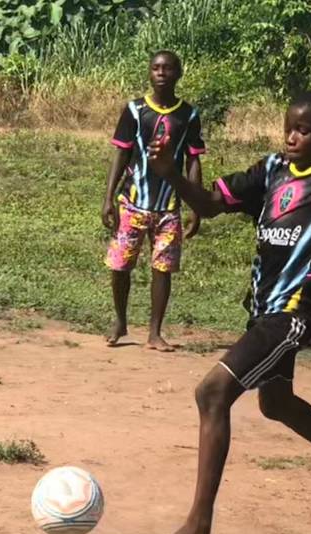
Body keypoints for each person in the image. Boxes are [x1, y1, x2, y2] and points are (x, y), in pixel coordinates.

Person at [149, 89, 311, 534]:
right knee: (276, 403)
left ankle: (199, 527)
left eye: (305, 130)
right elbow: (212, 203)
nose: (292, 137)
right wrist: (172, 174)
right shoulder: (271, 170)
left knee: (212, 392)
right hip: (264, 311)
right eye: (288, 128)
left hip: (297, 314)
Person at [103, 50, 204, 352]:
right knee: (121, 266)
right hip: (132, 203)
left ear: (178, 73)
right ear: (149, 73)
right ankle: (120, 321)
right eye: (156, 68)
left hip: (169, 208)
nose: (161, 73)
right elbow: (121, 153)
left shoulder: (188, 115)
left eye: (168, 68)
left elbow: (194, 161)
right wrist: (108, 198)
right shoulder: (134, 110)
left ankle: (155, 332)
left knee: (163, 269)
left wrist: (196, 204)